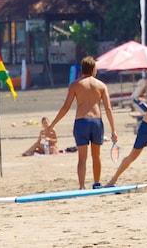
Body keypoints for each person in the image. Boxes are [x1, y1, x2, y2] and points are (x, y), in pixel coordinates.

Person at [47, 56, 118, 189]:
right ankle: (97, 184)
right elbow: (108, 108)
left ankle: (81, 186)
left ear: (82, 70)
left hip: (81, 122)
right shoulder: (101, 85)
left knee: (82, 158)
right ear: (93, 69)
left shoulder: (75, 85)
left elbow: (66, 107)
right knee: (96, 156)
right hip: (96, 122)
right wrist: (113, 130)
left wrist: (53, 124)